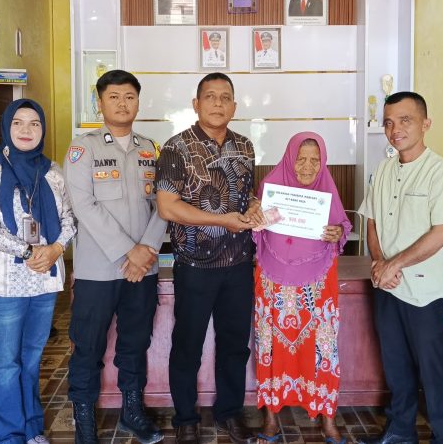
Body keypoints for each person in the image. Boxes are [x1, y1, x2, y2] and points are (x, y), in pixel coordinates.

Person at [0, 98, 76, 444]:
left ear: (43, 129)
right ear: (7, 127)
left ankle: (30, 429)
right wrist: (26, 250)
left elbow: (70, 219)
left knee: (31, 359)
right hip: (2, 285)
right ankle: (4, 437)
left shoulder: (52, 171)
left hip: (42, 281)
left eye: (34, 123)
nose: (26, 130)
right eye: (18, 123)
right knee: (5, 363)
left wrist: (56, 249)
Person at [64, 70, 167, 444]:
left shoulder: (151, 149)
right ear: (100, 103)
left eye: (129, 97)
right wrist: (130, 251)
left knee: (135, 343)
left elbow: (164, 205)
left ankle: (132, 412)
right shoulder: (83, 149)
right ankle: (85, 422)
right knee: (88, 346)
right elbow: (83, 206)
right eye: (114, 97)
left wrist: (147, 251)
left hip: (143, 269)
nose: (123, 103)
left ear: (138, 102)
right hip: (98, 270)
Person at [156, 72, 258, 444]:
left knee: (235, 344)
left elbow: (247, 194)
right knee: (188, 344)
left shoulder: (245, 146)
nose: (218, 103)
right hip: (195, 266)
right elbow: (168, 207)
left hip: (239, 265)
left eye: (225, 97)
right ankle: (185, 418)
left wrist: (255, 207)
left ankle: (230, 412)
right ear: (196, 104)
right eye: (210, 96)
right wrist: (221, 220)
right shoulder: (176, 147)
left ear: (234, 105)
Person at [356, 91, 443, 444]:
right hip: (388, 286)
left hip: (425, 292)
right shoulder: (383, 170)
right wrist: (378, 262)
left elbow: (442, 234)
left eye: (405, 120)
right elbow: (371, 221)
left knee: (433, 371)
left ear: (425, 124)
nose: (395, 129)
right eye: (389, 122)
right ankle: (400, 431)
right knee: (396, 366)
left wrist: (394, 264)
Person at [250, 132, 352, 444]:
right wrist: (257, 216)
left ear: (323, 162)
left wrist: (337, 233)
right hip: (273, 280)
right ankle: (270, 417)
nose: (307, 167)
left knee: (323, 348)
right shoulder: (270, 187)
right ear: (289, 158)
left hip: (317, 283)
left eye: (314, 160)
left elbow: (343, 226)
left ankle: (327, 417)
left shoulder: (327, 189)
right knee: (271, 346)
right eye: (301, 159)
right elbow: (255, 229)